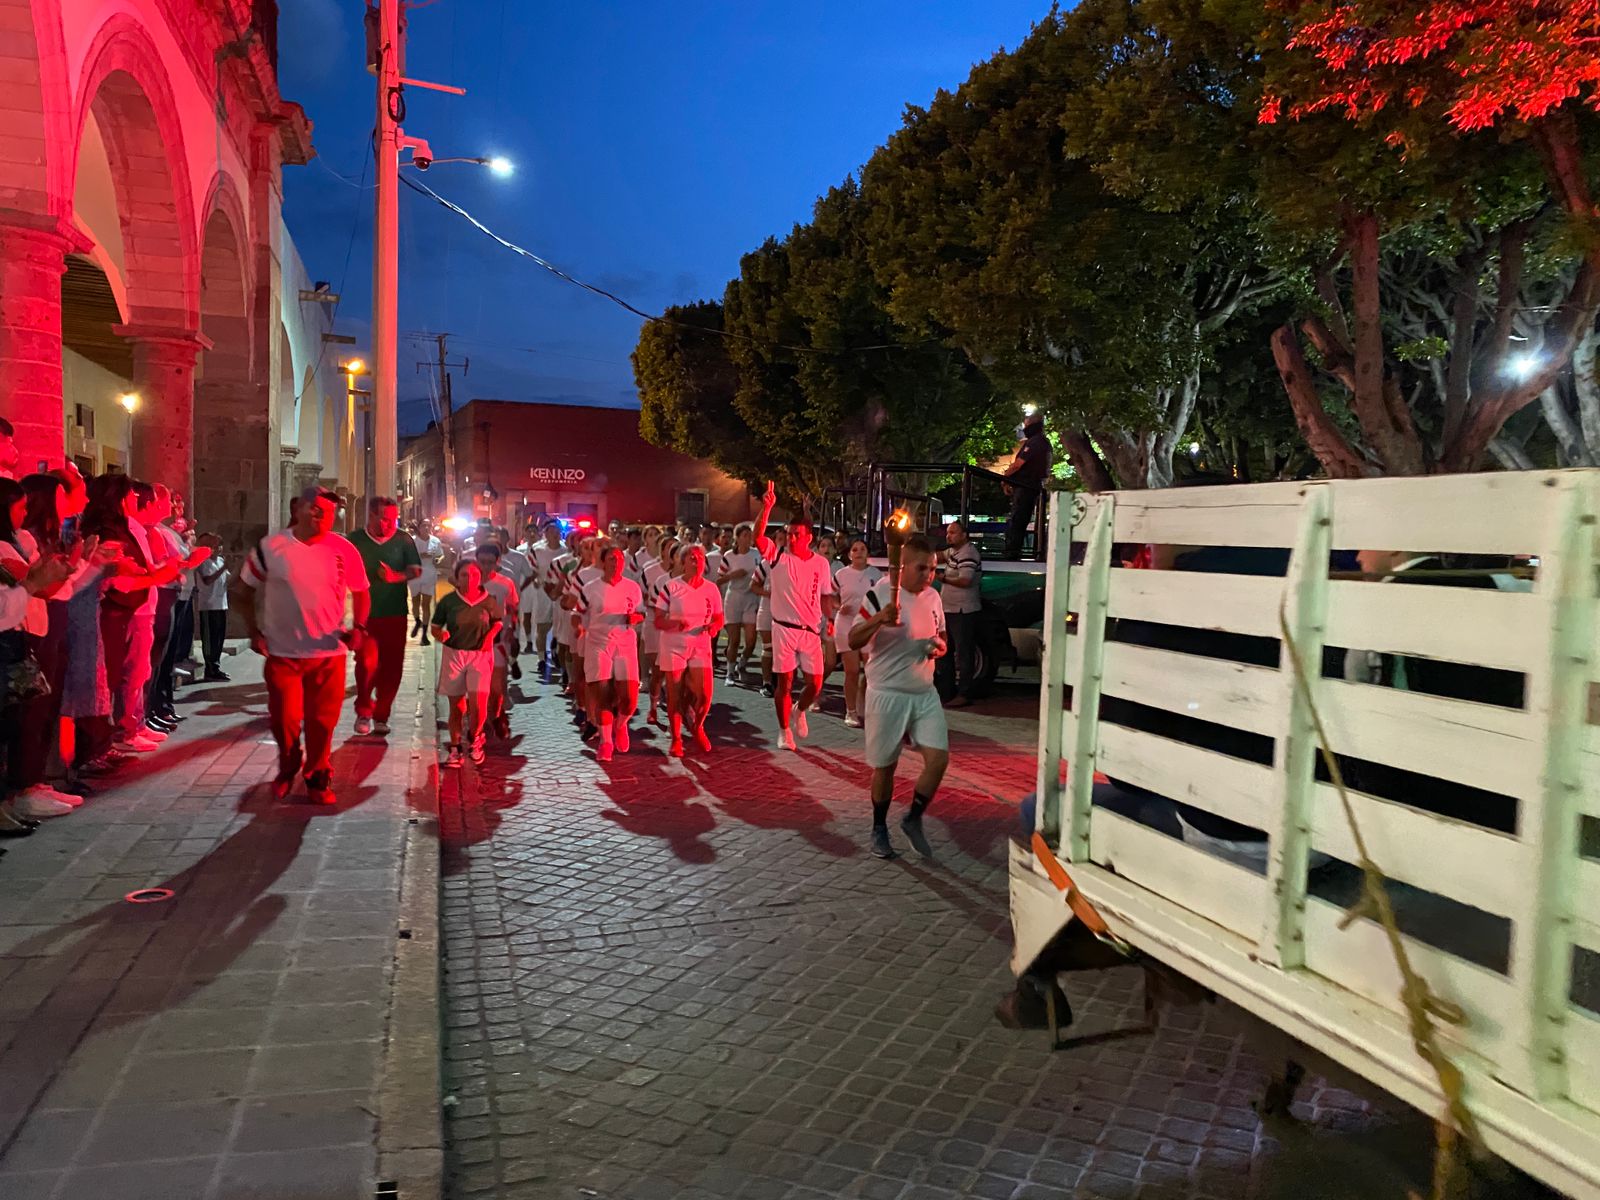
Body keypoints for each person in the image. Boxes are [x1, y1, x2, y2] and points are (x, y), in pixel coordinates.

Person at [239, 487, 370, 804]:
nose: (321, 516)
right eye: (315, 508)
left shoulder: (344, 549)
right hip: (283, 653)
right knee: (284, 719)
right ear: (298, 508)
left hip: (329, 653)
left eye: (329, 511)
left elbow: (362, 591)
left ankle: (317, 775)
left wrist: (360, 628)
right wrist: (254, 631)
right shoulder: (271, 548)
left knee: (322, 721)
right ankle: (288, 764)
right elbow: (242, 590)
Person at [850, 533, 949, 859]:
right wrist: (879, 619)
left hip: (924, 692)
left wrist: (939, 647)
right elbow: (853, 639)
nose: (929, 575)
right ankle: (879, 827)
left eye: (933, 569)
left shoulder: (933, 597)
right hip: (887, 693)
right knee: (885, 766)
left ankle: (913, 818)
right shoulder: (879, 594)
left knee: (938, 759)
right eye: (922, 568)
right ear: (902, 566)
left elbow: (942, 634)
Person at [751, 483, 836, 751]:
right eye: (788, 533)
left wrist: (830, 619)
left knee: (815, 684)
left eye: (796, 534)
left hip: (810, 630)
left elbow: (824, 595)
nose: (791, 538)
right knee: (785, 682)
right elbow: (757, 537)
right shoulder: (777, 556)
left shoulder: (821, 564)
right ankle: (784, 731)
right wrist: (766, 507)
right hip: (783, 628)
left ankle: (799, 710)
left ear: (808, 537)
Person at [350, 497, 422, 736]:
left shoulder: (403, 540)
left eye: (393, 519)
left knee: (392, 668)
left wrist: (396, 577)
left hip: (395, 614)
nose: (390, 524)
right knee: (367, 663)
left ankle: (382, 714)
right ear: (370, 516)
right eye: (384, 519)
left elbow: (415, 570)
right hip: (365, 616)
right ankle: (364, 709)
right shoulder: (355, 541)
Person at [575, 544, 645, 761]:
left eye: (620, 559)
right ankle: (606, 742)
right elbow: (577, 613)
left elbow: (641, 612)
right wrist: (578, 626)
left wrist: (635, 618)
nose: (616, 563)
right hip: (598, 644)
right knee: (602, 694)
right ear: (603, 562)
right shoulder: (591, 588)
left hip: (625, 645)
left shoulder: (632, 588)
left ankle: (621, 725)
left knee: (630, 699)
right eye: (612, 559)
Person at [653, 543, 724, 757]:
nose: (697, 561)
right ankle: (676, 739)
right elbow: (658, 620)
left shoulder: (711, 589)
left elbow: (719, 618)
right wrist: (675, 623)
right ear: (682, 562)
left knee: (704, 695)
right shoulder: (671, 587)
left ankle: (698, 726)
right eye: (692, 558)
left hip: (700, 644)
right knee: (674, 693)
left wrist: (714, 627)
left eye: (700, 557)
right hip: (674, 645)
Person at [432, 558, 503, 766]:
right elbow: (435, 627)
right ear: (457, 578)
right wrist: (440, 635)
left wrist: (490, 636)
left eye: (474, 575)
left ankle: (476, 737)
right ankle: (455, 747)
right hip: (454, 654)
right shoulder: (448, 601)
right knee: (457, 706)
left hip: (480, 656)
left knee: (478, 704)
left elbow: (498, 622)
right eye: (464, 575)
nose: (469, 579)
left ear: (480, 578)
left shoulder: (489, 600)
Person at [832, 538, 883, 728]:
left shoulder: (876, 574)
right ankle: (850, 710)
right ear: (849, 554)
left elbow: (882, 598)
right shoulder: (841, 574)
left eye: (862, 549)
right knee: (851, 671)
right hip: (846, 624)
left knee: (871, 671)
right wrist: (839, 606)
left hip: (868, 625)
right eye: (855, 549)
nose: (859, 552)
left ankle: (865, 706)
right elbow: (829, 596)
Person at [475, 542, 520, 738]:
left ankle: (495, 716)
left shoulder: (505, 584)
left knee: (497, 687)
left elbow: (513, 608)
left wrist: (512, 628)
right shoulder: (468, 582)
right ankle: (480, 721)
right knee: (476, 687)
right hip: (472, 644)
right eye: (482, 562)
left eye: (490, 562)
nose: (486, 566)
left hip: (497, 642)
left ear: (497, 562)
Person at [937, 519, 983, 707]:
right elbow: (939, 556)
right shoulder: (953, 552)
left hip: (963, 611)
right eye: (948, 532)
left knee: (964, 653)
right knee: (946, 652)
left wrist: (943, 578)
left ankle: (964, 693)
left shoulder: (968, 554)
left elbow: (966, 580)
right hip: (950, 609)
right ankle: (947, 692)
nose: (948, 536)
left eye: (953, 532)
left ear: (964, 535)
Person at [1003, 412, 1052, 560]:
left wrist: (1005, 478)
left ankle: (1012, 553)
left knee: (1017, 520)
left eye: (1026, 425)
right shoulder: (1042, 442)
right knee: (1020, 519)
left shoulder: (1035, 442)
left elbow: (1018, 465)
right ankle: (1015, 551)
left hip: (1026, 486)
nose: (1025, 429)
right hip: (1030, 485)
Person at [640, 533, 677, 725]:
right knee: (658, 670)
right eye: (670, 548)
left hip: (677, 632)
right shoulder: (656, 576)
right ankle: (653, 706)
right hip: (655, 624)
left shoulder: (689, 579)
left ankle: (677, 709)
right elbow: (648, 600)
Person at [717, 523, 761, 686]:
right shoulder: (729, 556)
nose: (748, 539)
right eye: (745, 535)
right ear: (737, 538)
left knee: (751, 640)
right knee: (734, 640)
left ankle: (741, 664)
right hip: (733, 598)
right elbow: (719, 579)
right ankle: (730, 672)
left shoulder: (757, 554)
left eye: (750, 535)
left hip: (751, 598)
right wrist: (733, 575)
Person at [194, 532, 230, 680]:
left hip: (221, 604)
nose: (217, 548)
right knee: (210, 638)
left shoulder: (220, 561)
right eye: (213, 545)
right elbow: (207, 580)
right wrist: (223, 569)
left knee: (219, 638)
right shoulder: (203, 562)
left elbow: (228, 580)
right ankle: (210, 668)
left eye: (219, 545)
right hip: (208, 605)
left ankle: (216, 666)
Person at [409, 518, 444, 644]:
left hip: (429, 574)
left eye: (428, 525)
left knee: (426, 604)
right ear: (419, 527)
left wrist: (438, 560)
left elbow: (440, 555)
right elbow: (407, 556)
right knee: (415, 602)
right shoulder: (412, 541)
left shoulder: (435, 541)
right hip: (415, 574)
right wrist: (419, 556)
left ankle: (424, 635)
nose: (426, 528)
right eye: (424, 525)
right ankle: (417, 620)